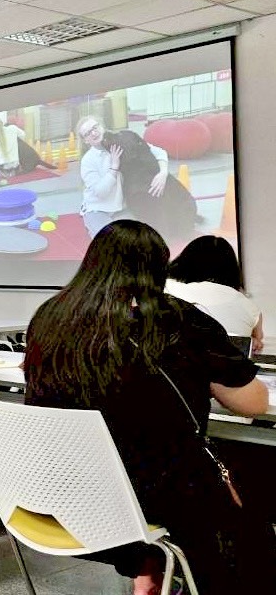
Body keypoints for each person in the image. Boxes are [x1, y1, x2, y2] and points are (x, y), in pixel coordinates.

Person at [23, 221, 274, 595]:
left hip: (62, 496)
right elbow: (253, 402)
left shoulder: (49, 317)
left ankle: (149, 568)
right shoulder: (178, 320)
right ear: (159, 270)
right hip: (151, 500)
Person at [75, 117, 196, 241]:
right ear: (85, 140)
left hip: (121, 208)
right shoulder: (88, 160)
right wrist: (114, 168)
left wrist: (163, 173)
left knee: (138, 239)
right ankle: (92, 227)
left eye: (95, 127)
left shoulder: (118, 141)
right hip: (98, 209)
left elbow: (159, 152)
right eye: (88, 133)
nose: (93, 133)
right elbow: (101, 192)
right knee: (111, 242)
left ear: (101, 126)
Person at [167, 235, 263, 350]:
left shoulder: (165, 288)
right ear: (232, 270)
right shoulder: (250, 307)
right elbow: (256, 343)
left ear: (183, 262)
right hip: (224, 361)